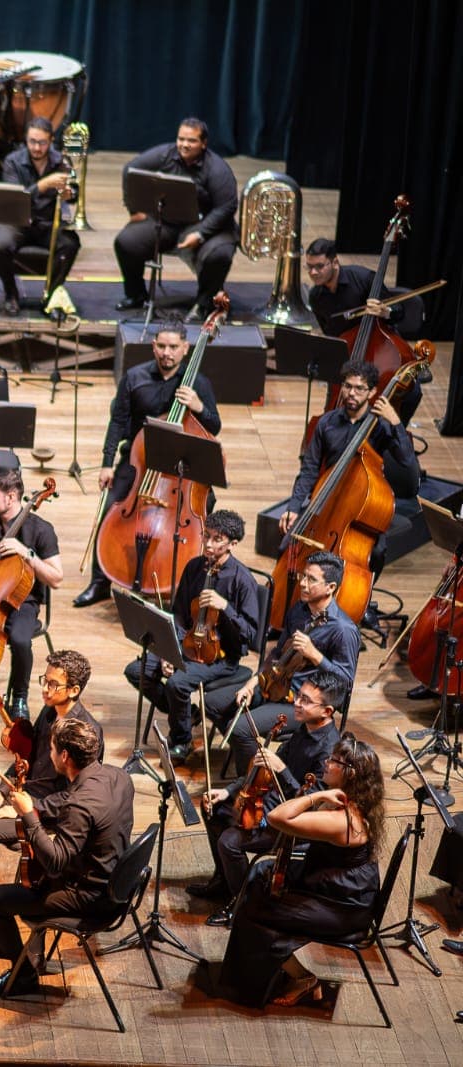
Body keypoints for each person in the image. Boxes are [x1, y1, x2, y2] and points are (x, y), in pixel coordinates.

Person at [0, 650, 104, 932]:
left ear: (74, 690)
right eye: (44, 681)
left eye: (53, 684)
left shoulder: (87, 733)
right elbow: (24, 758)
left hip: (46, 812)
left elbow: (77, 796)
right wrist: (2, 790)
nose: (45, 689)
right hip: (23, 794)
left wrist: (22, 809)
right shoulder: (49, 713)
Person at [0, 716, 135, 998]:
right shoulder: (119, 777)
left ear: (64, 756)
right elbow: (77, 812)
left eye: (50, 749)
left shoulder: (79, 804)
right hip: (119, 883)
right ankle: (27, 962)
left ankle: (23, 976)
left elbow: (56, 862)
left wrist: (29, 815)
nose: (48, 755)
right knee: (24, 876)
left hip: (90, 899)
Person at [217, 735, 383, 1007]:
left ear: (349, 773)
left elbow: (278, 818)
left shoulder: (342, 819)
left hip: (344, 909)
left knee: (253, 909)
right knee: (260, 877)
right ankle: (273, 968)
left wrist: (315, 795)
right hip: (338, 887)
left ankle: (303, 978)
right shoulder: (349, 802)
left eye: (333, 761)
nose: (326, 764)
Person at [74, 324, 221, 606]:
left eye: (173, 347)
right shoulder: (134, 377)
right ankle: (100, 582)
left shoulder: (198, 383)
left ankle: (185, 579)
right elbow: (118, 421)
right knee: (111, 508)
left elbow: (214, 426)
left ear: (185, 348)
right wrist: (107, 463)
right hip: (139, 459)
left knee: (206, 506)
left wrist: (199, 406)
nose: (167, 353)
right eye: (162, 347)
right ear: (154, 346)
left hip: (181, 467)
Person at [194, 671, 343, 925]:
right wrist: (228, 791)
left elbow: (311, 803)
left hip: (292, 825)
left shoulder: (329, 752)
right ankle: (223, 882)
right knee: (215, 809)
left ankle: (244, 906)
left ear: (327, 711)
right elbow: (263, 771)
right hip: (270, 806)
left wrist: (282, 770)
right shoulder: (303, 730)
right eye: (299, 696)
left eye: (306, 700)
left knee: (230, 841)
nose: (296, 702)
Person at [121, 509, 261, 760]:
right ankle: (187, 713)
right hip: (186, 646)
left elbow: (250, 635)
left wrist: (225, 607)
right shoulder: (195, 567)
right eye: (206, 536)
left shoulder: (243, 580)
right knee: (136, 671)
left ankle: (182, 740)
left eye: (217, 539)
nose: (208, 544)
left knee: (177, 683)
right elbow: (177, 616)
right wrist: (168, 652)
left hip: (221, 657)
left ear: (233, 544)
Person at [281, 359, 421, 595]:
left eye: (359, 388)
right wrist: (293, 507)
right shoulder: (327, 423)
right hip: (327, 502)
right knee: (287, 543)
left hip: (361, 510)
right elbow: (310, 469)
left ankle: (361, 600)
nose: (351, 393)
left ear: (373, 392)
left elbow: (409, 466)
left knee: (375, 553)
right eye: (347, 386)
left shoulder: (381, 426)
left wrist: (395, 422)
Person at [217, 552, 359, 770]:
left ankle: (254, 780)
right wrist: (252, 683)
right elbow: (276, 655)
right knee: (214, 704)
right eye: (303, 576)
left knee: (239, 728)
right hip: (275, 686)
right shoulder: (299, 610)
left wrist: (315, 655)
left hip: (302, 704)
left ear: (330, 587)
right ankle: (249, 757)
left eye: (311, 579)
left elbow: (346, 683)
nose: (302, 583)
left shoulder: (343, 629)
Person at [113, 118, 238, 322]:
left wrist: (200, 233)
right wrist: (134, 208)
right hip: (169, 222)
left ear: (204, 144)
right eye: (181, 139)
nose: (184, 145)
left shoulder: (218, 169)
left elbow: (227, 206)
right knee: (127, 242)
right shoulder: (165, 154)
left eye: (191, 140)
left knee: (220, 254)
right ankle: (136, 295)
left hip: (208, 226)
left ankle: (204, 302)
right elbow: (130, 169)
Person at [303, 238, 424, 423]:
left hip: (379, 350)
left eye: (319, 266)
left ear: (335, 262)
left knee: (413, 391)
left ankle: (396, 432)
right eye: (309, 267)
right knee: (335, 397)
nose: (313, 272)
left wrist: (386, 311)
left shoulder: (364, 279)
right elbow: (331, 334)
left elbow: (399, 311)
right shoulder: (316, 297)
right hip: (348, 354)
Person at [0, 470, 63, 714]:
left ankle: (19, 697)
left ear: (11, 497)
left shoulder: (41, 530)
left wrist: (27, 553)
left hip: (24, 601)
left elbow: (56, 578)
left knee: (21, 640)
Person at [0, 117, 80, 313]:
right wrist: (42, 186)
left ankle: (51, 296)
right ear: (26, 140)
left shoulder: (62, 161)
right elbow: (14, 199)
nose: (36, 147)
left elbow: (75, 192)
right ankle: (10, 293)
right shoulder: (12, 162)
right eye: (32, 141)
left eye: (42, 142)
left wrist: (70, 193)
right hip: (18, 221)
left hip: (47, 222)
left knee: (70, 244)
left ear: (50, 141)